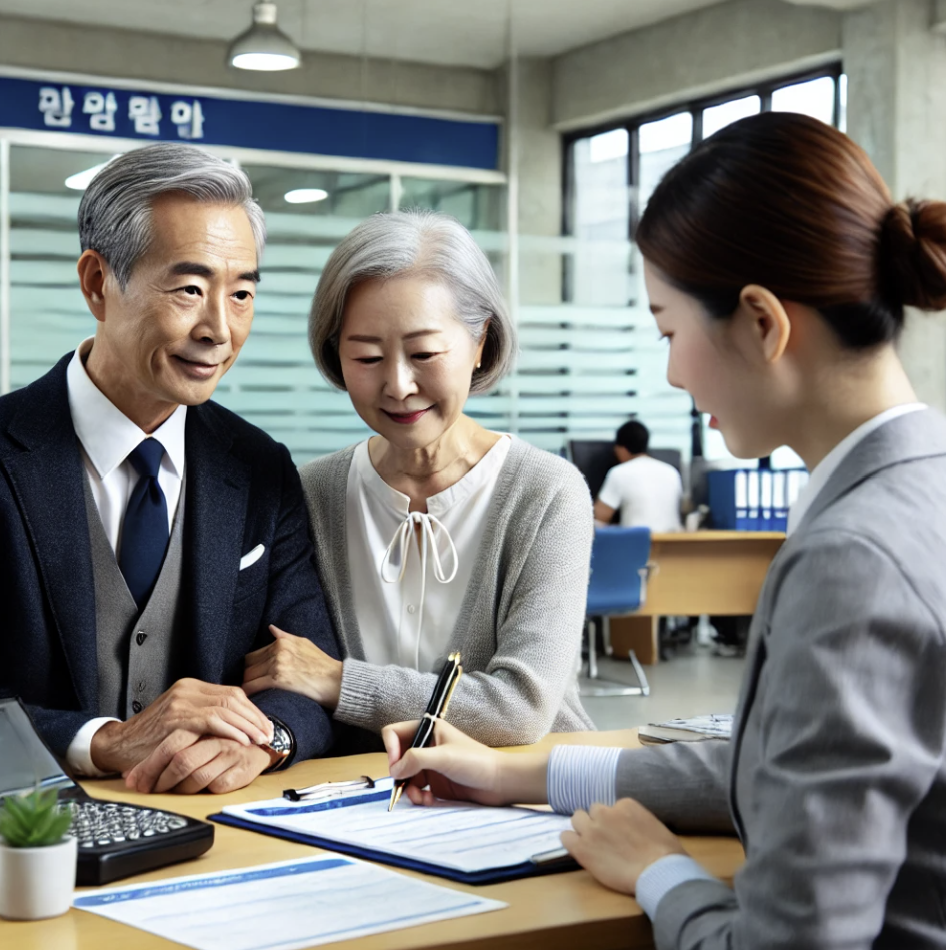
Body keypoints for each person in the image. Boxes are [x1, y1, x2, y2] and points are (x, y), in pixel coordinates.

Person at [378, 112, 946, 949]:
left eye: (669, 329)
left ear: (761, 321)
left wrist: (658, 870)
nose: (673, 371)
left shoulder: (850, 558)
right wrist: (512, 773)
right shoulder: (919, 484)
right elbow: (779, 774)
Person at [0, 144, 339, 796]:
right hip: (31, 836)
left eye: (241, 293)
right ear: (99, 282)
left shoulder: (261, 468)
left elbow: (306, 675)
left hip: (217, 833)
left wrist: (269, 742)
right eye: (190, 288)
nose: (219, 328)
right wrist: (103, 742)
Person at [242, 210, 594, 748]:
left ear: (481, 342)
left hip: (524, 799)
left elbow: (519, 709)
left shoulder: (545, 492)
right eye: (367, 356)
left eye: (425, 353)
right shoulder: (311, 493)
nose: (399, 385)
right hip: (356, 799)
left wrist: (339, 681)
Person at [593, 420, 682, 531]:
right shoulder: (672, 472)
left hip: (638, 544)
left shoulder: (619, 473)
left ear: (621, 449)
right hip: (673, 543)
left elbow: (600, 518)